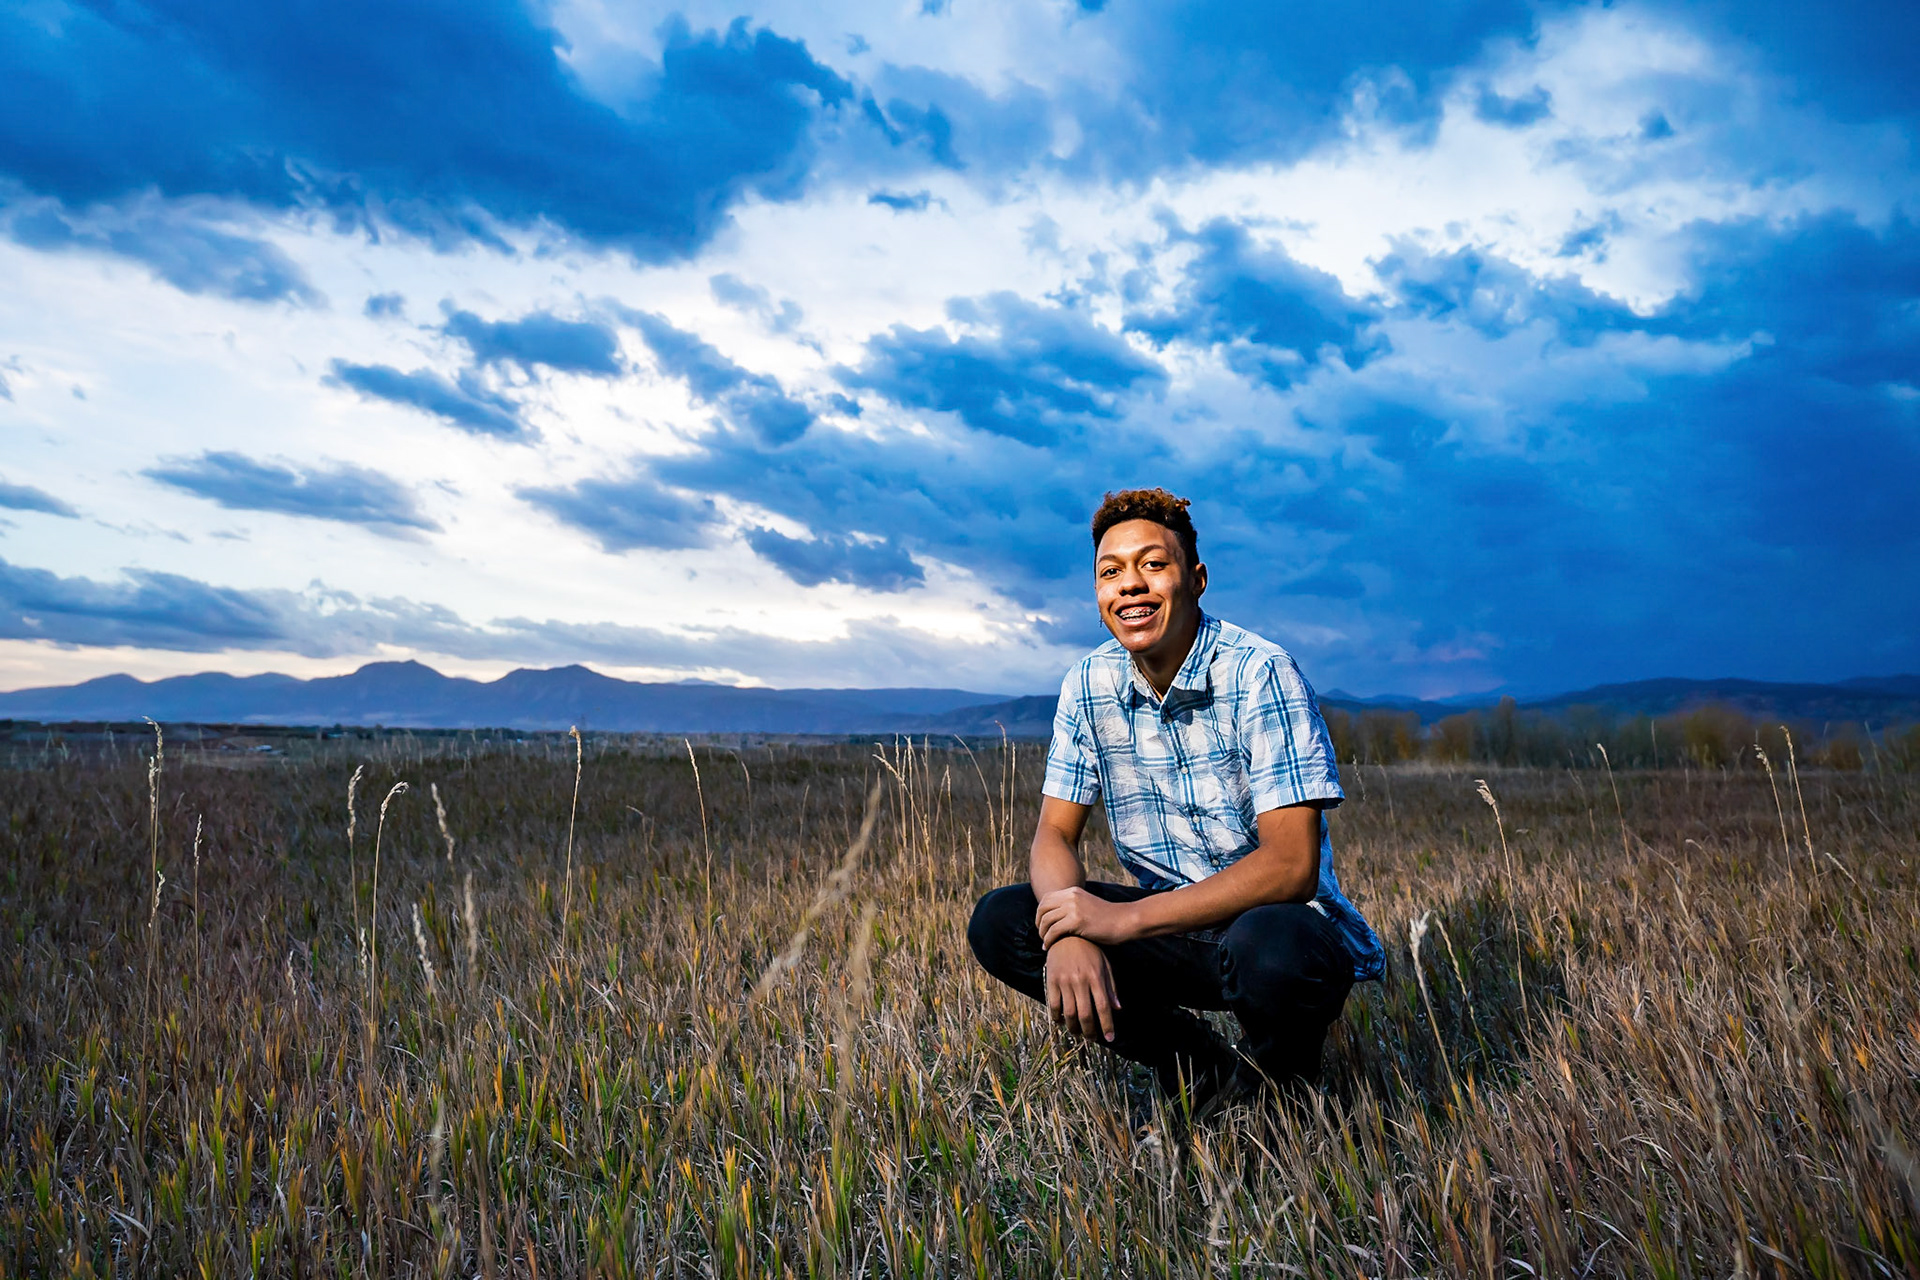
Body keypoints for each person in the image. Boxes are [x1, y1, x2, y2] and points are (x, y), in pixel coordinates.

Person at [967, 487, 1384, 1121]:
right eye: (1111, 572)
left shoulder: (1260, 672)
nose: (1130, 585)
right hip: (1172, 938)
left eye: (1152, 565)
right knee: (1002, 920)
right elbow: (1054, 833)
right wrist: (1066, 933)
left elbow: (1292, 866)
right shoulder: (1088, 683)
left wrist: (1122, 922)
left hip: (1273, 930)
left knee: (1272, 946)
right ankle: (1202, 1070)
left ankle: (1283, 1094)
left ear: (1195, 579)